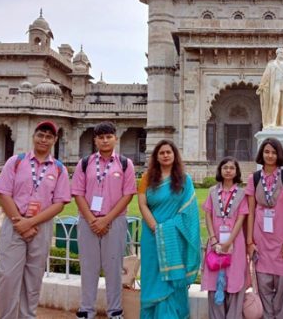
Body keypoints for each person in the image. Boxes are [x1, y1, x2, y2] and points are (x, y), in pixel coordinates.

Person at [0, 120, 71, 319]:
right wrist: (20, 221)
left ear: (55, 140)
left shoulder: (59, 169)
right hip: (14, 224)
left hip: (40, 227)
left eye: (48, 137)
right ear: (33, 136)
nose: (44, 140)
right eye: (40, 135)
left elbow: (59, 203)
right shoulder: (16, 162)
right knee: (8, 277)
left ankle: (28, 316)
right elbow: (3, 193)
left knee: (33, 279)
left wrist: (30, 223)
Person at [71, 122, 137, 319]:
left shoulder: (125, 164)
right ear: (95, 140)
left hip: (114, 221)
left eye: (108, 136)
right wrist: (93, 219)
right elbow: (78, 193)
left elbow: (128, 195)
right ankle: (86, 309)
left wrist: (106, 219)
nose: (105, 140)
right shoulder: (85, 163)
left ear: (116, 138)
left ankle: (115, 310)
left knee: (114, 267)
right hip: (88, 220)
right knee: (88, 266)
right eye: (101, 137)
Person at [137, 139, 202, 318]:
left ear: (174, 156)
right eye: (162, 153)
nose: (165, 155)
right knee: (152, 275)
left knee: (174, 279)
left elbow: (189, 211)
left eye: (169, 152)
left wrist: (166, 229)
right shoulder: (147, 178)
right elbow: (142, 204)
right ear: (156, 157)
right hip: (151, 235)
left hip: (176, 236)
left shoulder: (184, 180)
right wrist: (155, 227)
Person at [245, 137, 283, 319]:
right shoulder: (254, 178)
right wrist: (249, 242)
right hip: (261, 241)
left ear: (279, 155)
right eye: (267, 152)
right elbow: (251, 212)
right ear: (261, 154)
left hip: (282, 241)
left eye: (274, 152)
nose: (270, 155)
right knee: (264, 288)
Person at [202, 157, 249, 319]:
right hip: (215, 243)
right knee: (215, 279)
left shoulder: (242, 193)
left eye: (232, 168)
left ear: (237, 172)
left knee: (234, 279)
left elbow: (241, 219)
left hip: (235, 244)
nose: (228, 170)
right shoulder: (213, 192)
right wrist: (213, 239)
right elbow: (207, 215)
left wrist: (229, 242)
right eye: (225, 168)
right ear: (220, 171)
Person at [257, 47, 283, 127]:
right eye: (280, 52)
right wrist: (261, 85)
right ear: (277, 53)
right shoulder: (272, 64)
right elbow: (266, 75)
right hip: (276, 84)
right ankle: (273, 122)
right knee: (275, 102)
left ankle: (282, 123)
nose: (282, 54)